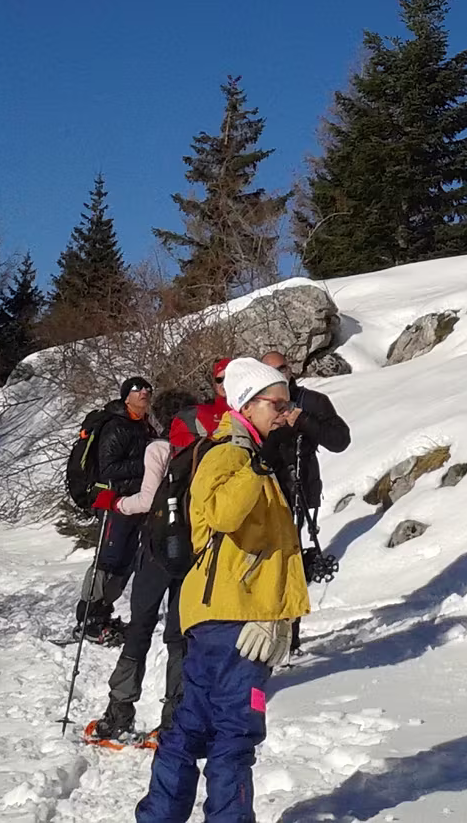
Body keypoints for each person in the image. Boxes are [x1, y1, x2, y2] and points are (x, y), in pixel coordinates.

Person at [136, 358, 309, 823]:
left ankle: (159, 816)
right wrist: (258, 466)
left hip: (224, 614)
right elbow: (223, 516)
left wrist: (281, 615)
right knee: (234, 733)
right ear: (247, 405)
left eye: (288, 403)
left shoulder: (246, 453)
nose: (285, 412)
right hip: (235, 618)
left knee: (191, 727)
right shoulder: (230, 454)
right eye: (277, 404)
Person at [88, 388, 195, 743]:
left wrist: (116, 503)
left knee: (140, 628)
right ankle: (175, 719)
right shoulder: (206, 449)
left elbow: (148, 501)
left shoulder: (159, 449)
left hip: (156, 548)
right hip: (193, 550)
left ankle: (119, 712)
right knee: (179, 635)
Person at [257, 349, 350, 653]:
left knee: (292, 561)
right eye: (272, 370)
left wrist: (303, 421)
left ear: (291, 369)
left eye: (283, 368)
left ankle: (290, 635)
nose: (279, 374)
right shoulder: (259, 405)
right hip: (265, 492)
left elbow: (340, 440)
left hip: (299, 492)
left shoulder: (311, 401)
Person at [77, 375, 156, 638]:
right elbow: (109, 468)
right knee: (107, 560)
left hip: (134, 503)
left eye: (147, 388)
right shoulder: (117, 426)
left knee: (125, 560)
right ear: (126, 396)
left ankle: (103, 614)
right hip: (113, 502)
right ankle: (88, 618)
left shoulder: (144, 426)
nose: (144, 391)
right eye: (137, 388)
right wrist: (148, 462)